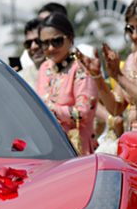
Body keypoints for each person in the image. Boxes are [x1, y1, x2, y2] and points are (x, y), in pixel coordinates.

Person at [80, 0, 137, 135]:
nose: (135, 35)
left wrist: (119, 77)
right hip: (133, 139)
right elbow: (116, 108)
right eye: (129, 29)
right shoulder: (132, 60)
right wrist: (97, 76)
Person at [34, 13, 98, 155]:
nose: (50, 48)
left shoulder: (81, 69)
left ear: (70, 39)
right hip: (47, 148)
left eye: (56, 41)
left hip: (76, 148)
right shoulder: (45, 68)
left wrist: (48, 109)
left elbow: (84, 112)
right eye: (45, 43)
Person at [19, 18, 45, 88]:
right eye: (29, 43)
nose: (34, 47)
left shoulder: (63, 73)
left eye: (38, 41)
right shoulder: (20, 79)